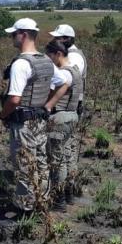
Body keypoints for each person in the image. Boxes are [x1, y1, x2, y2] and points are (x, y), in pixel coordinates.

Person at [0, 18, 67, 214]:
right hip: (40, 120)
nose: (12, 37)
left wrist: (3, 115)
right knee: (41, 163)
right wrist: (47, 106)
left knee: (24, 165)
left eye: (14, 34)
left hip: (24, 123)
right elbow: (63, 83)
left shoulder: (21, 64)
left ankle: (25, 209)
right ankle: (41, 203)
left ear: (24, 35)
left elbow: (14, 99)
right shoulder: (46, 60)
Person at [43, 40, 83, 211]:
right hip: (72, 116)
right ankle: (68, 194)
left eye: (50, 56)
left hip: (60, 118)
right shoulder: (76, 71)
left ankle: (58, 200)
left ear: (58, 54)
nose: (50, 60)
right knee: (67, 157)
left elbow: (52, 93)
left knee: (57, 160)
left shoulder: (64, 74)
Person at [49, 24, 86, 114]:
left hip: (66, 108)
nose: (54, 40)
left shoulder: (74, 57)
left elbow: (67, 80)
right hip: (61, 107)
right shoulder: (65, 54)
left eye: (57, 38)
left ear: (66, 39)